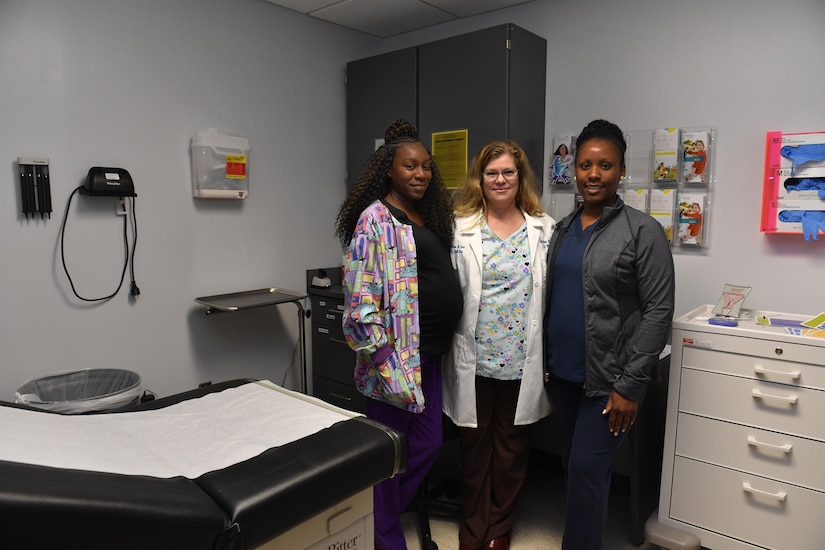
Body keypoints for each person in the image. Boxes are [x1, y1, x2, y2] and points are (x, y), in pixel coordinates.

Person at [543, 119, 675, 550]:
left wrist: (630, 386)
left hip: (611, 383)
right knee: (576, 466)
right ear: (574, 170)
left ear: (621, 172)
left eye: (604, 165)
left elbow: (659, 311)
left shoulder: (642, 231)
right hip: (563, 377)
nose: (593, 174)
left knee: (585, 470)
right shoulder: (562, 230)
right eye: (585, 165)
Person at [335, 119, 463, 550]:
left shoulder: (430, 214)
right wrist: (387, 364)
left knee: (427, 443)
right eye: (411, 166)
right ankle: (385, 534)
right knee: (390, 455)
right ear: (389, 169)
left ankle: (379, 514)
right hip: (394, 361)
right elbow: (359, 308)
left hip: (428, 355)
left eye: (427, 166)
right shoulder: (374, 220)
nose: (421, 174)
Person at [443, 140, 554, 550]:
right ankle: (472, 530)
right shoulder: (461, 226)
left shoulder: (543, 227)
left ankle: (498, 530)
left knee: (510, 455)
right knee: (474, 454)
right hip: (473, 360)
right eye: (492, 173)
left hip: (520, 361)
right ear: (481, 178)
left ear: (520, 177)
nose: (501, 180)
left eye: (508, 172)